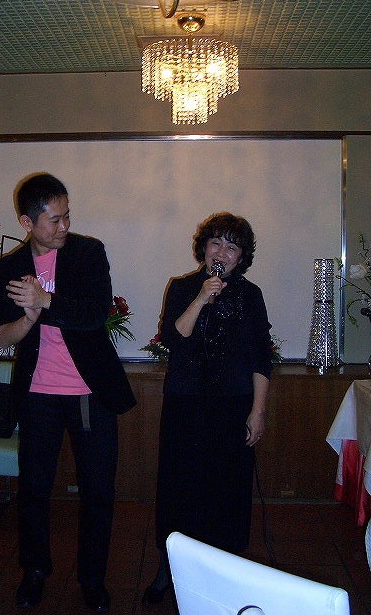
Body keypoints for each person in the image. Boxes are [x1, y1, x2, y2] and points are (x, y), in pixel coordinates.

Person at [0, 172, 136, 613]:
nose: (64, 226)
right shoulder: (9, 268)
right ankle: (35, 571)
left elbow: (94, 314)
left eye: (67, 215)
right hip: (37, 393)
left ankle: (92, 579)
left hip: (88, 391)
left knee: (97, 490)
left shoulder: (88, 253)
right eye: (54, 220)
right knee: (34, 489)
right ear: (27, 222)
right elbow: (1, 336)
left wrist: (45, 300)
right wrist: (28, 318)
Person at [142, 212, 272, 606]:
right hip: (186, 406)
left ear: (241, 257)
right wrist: (201, 297)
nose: (222, 252)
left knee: (227, 491)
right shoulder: (183, 287)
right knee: (178, 489)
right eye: (216, 243)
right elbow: (174, 338)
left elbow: (260, 358)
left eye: (232, 247)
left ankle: (223, 570)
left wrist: (258, 411)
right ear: (204, 248)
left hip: (233, 409)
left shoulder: (251, 296)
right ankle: (168, 568)